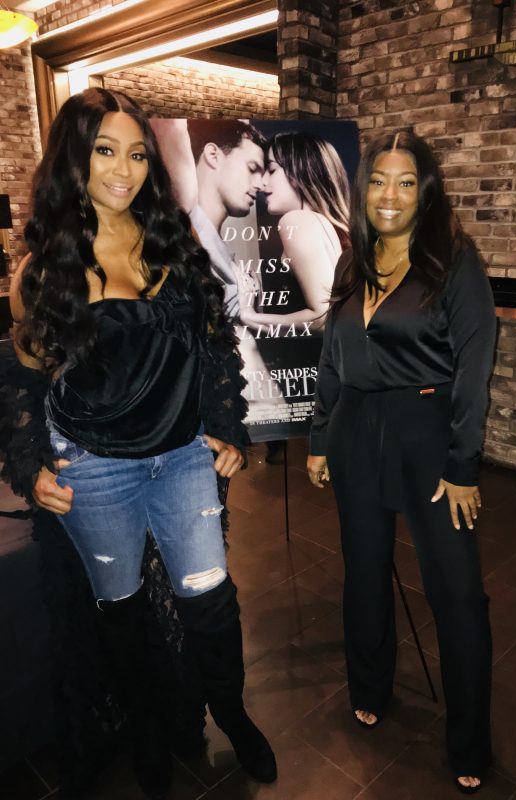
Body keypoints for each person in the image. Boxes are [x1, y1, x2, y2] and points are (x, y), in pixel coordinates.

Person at [9, 88, 276, 799]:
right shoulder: (44, 268)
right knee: (122, 613)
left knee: (210, 603)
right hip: (93, 470)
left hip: (181, 456)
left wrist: (226, 424)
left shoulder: (175, 243)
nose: (123, 170)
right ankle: (149, 731)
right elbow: (23, 375)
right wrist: (30, 463)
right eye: (105, 151)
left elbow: (214, 343)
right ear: (75, 159)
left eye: (136, 154)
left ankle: (232, 714)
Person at [306, 130, 496, 795]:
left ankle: (469, 740)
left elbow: (475, 366)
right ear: (363, 191)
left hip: (428, 434)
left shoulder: (453, 261)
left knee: (457, 594)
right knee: (364, 573)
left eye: (406, 182)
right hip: (355, 430)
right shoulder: (350, 262)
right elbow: (333, 357)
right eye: (380, 180)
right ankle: (369, 686)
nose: (390, 194)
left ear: (426, 192)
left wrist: (463, 464)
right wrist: (320, 436)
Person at [150, 118, 266, 321]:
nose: (260, 185)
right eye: (252, 168)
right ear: (213, 155)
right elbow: (170, 125)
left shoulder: (229, 260)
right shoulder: (181, 224)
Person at [237, 131, 351, 333]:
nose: (262, 183)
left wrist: (249, 315)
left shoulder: (297, 221)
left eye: (271, 170)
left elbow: (324, 318)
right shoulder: (327, 226)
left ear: (301, 171)